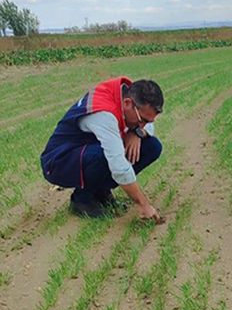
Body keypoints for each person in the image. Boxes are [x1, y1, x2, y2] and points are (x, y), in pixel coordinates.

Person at [40, 77, 165, 222]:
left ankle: (101, 192)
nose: (143, 125)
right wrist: (144, 205)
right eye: (142, 120)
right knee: (107, 155)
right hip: (58, 162)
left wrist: (136, 132)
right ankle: (82, 200)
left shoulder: (129, 95)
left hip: (86, 149)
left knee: (152, 146)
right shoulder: (104, 114)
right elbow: (119, 167)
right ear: (127, 103)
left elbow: (148, 127)